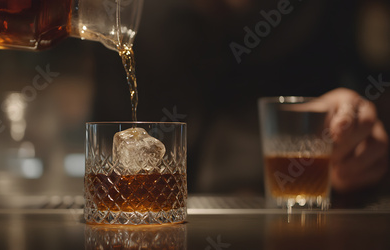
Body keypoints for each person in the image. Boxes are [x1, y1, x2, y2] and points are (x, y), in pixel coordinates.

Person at [91, 0, 390, 195]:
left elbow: (370, 91)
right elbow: (108, 150)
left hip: (296, 222)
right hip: (154, 228)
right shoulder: (128, 14)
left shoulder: (325, 12)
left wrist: (355, 148)